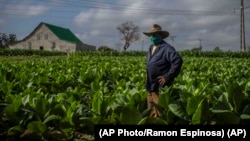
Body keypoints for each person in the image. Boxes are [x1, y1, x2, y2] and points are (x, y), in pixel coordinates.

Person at [143, 24, 183, 118]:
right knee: (151, 109)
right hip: (150, 83)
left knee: (159, 110)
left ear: (160, 35)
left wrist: (167, 76)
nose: (153, 37)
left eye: (155, 35)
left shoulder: (167, 48)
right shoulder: (151, 47)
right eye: (151, 35)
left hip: (160, 85)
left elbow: (178, 61)